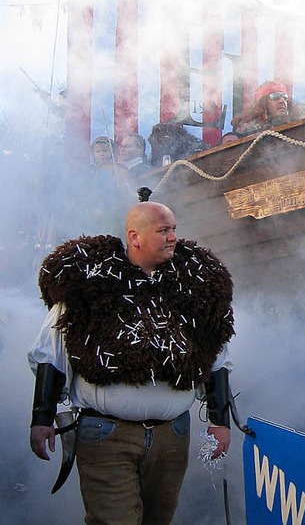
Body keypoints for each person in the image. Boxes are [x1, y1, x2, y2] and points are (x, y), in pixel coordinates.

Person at [28, 201, 235, 525]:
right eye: (162, 231)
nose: (172, 238)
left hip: (171, 437)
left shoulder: (194, 287)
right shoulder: (89, 285)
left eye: (174, 230)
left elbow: (216, 355)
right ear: (134, 237)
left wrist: (219, 419)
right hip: (107, 435)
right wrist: (42, 416)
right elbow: (51, 353)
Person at [230, 80, 303, 137]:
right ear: (263, 103)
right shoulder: (247, 130)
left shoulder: (298, 126)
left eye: (285, 97)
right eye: (275, 96)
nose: (282, 101)